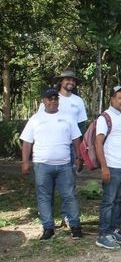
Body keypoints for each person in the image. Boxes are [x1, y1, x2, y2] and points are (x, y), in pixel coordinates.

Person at [21, 88, 83, 241]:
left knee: (69, 196)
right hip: (42, 165)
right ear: (44, 101)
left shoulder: (68, 118)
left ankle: (75, 226)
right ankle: (48, 228)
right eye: (50, 98)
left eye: (56, 98)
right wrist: (25, 162)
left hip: (64, 165)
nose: (53, 101)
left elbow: (76, 140)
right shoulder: (35, 119)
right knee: (44, 197)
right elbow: (27, 142)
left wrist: (79, 157)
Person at [95, 85, 121, 250]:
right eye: (120, 98)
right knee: (108, 202)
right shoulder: (105, 117)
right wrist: (104, 167)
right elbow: (98, 143)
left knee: (118, 200)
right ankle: (103, 234)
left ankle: (113, 230)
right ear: (112, 99)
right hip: (112, 166)